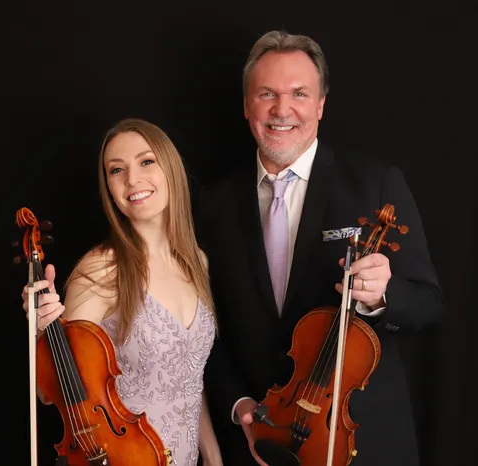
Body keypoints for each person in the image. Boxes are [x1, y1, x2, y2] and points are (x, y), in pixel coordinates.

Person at [194, 30, 444, 466]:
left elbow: (428, 305)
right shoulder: (211, 207)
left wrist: (385, 297)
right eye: (266, 93)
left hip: (362, 442)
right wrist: (239, 406)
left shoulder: (375, 184)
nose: (282, 109)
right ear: (247, 105)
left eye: (299, 94)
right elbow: (202, 330)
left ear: (321, 104)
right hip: (260, 444)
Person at [21, 118, 223, 466]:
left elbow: (188, 380)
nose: (132, 180)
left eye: (146, 161)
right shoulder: (102, 269)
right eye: (117, 170)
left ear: (170, 168)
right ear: (109, 188)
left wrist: (214, 457)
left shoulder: (197, 262)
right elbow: (52, 391)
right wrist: (42, 327)